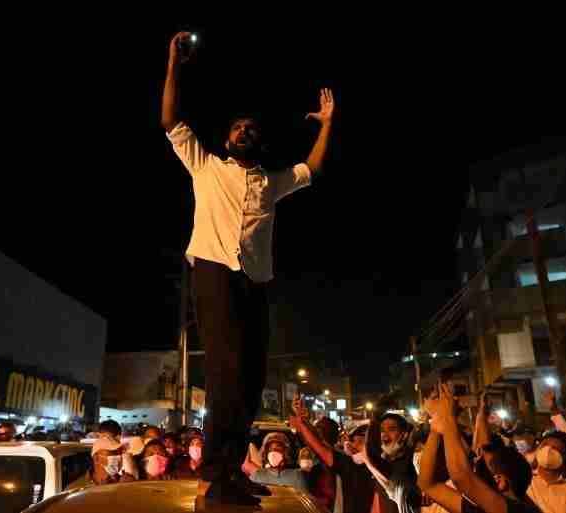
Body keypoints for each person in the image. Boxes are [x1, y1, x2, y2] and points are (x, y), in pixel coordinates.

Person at [161, 30, 335, 506]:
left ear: (260, 140)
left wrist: (326, 124)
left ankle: (234, 467)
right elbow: (171, 119)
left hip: (255, 281)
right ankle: (215, 471)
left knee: (252, 376)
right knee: (226, 370)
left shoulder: (272, 182)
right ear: (226, 138)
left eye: (251, 128)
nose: (245, 131)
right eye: (237, 127)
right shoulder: (207, 167)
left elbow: (312, 170)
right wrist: (173, 63)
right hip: (215, 272)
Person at [419, 383, 538, 513]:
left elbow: (461, 477)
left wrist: (448, 417)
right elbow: (428, 485)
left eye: (480, 465)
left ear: (500, 481)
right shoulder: (478, 508)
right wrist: (436, 426)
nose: (474, 464)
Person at [290, 396, 376, 513]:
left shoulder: (382, 468)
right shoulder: (348, 463)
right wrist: (303, 423)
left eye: (361, 441)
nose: (353, 445)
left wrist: (303, 424)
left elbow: (320, 445)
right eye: (353, 440)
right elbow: (320, 444)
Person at [363, 410, 422, 513]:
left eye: (391, 429)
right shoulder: (386, 460)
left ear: (403, 435)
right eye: (382, 430)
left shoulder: (410, 462)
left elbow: (371, 453)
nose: (385, 435)